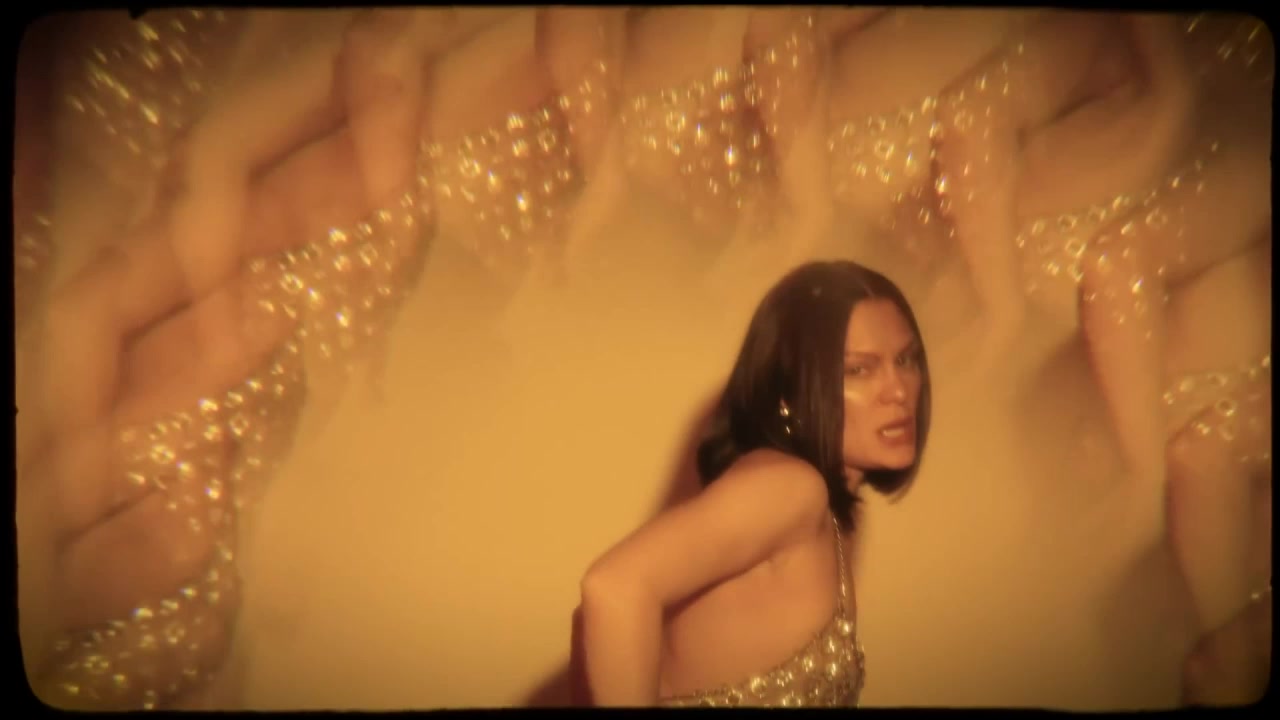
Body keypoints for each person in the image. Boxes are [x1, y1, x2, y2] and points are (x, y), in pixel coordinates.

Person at [577, 260, 932, 707]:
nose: (898, 391)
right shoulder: (790, 488)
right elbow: (613, 588)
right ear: (788, 394)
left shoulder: (829, 513)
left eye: (905, 360)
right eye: (859, 370)